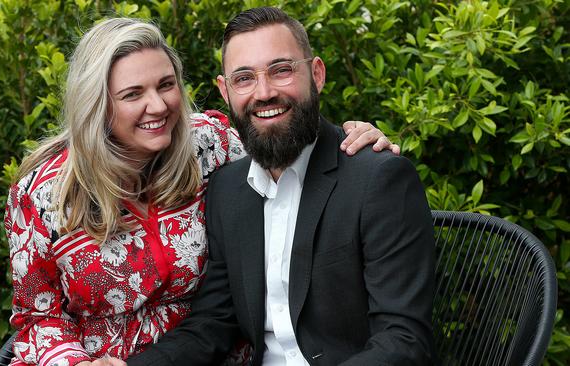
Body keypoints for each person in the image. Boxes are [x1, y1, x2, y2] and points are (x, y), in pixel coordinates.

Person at [4, 17, 396, 366]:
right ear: (97, 105)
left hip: (214, 348)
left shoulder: (212, 145)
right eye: (132, 94)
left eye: (166, 85)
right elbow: (37, 317)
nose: (157, 105)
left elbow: (289, 148)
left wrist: (354, 142)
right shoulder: (43, 196)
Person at [127, 7, 436, 366]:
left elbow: (404, 340)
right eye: (244, 79)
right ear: (225, 92)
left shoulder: (377, 179)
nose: (264, 92)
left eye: (281, 70)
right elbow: (214, 322)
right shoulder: (228, 188)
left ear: (316, 74)